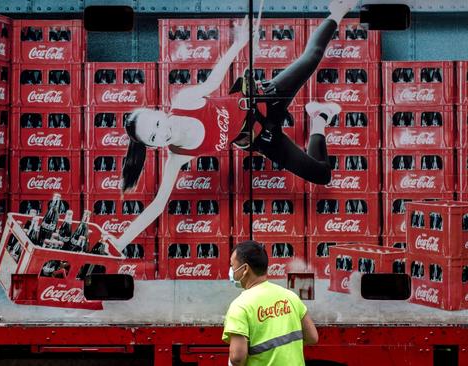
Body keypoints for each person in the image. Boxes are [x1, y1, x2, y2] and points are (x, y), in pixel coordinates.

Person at [114, 0, 357, 251]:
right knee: (322, 174)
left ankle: (337, 11)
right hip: (263, 139)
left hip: (263, 98)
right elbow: (156, 206)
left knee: (311, 58)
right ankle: (319, 118)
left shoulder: (184, 101)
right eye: (153, 138)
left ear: (159, 112)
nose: (161, 133)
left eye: (156, 124)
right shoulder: (177, 158)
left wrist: (240, 42)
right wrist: (120, 243)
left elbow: (215, 78)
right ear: (152, 147)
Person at [223, 240, 319, 366]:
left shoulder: (240, 306)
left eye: (232, 265)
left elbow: (237, 358)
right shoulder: (290, 296)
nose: (231, 270)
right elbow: (312, 337)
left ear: (245, 269)